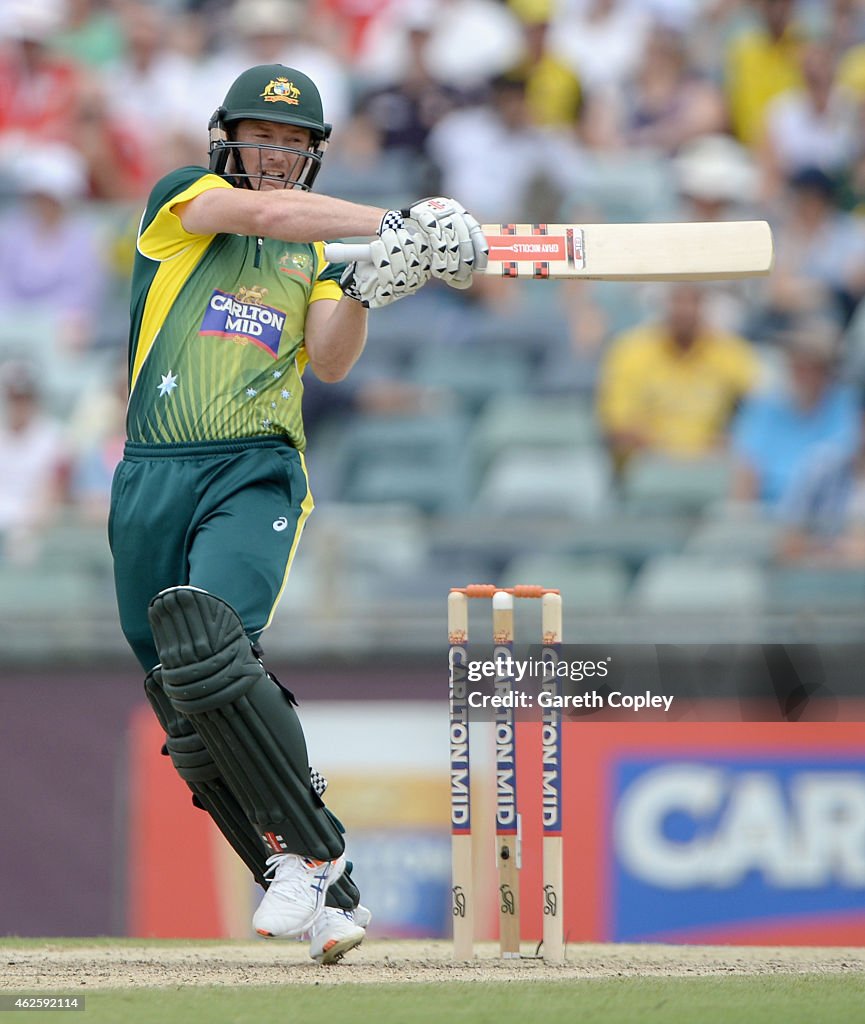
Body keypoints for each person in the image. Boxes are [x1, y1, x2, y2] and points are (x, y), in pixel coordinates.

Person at [108, 62, 486, 964]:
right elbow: (267, 216)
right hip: (152, 472)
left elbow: (331, 362)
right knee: (183, 704)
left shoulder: (315, 255)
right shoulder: (184, 201)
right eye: (261, 136)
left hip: (255, 467)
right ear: (226, 139)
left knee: (211, 642)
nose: (276, 155)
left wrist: (366, 287)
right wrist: (400, 222)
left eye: (293, 142)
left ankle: (308, 855)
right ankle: (330, 898)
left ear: (313, 153)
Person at [596, 283, 759, 475]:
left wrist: (729, 441)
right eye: (677, 300)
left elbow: (758, 410)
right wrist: (672, 454)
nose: (685, 310)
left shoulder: (731, 353)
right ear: (662, 304)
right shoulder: (630, 351)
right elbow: (618, 426)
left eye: (694, 301)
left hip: (712, 466)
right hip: (647, 468)